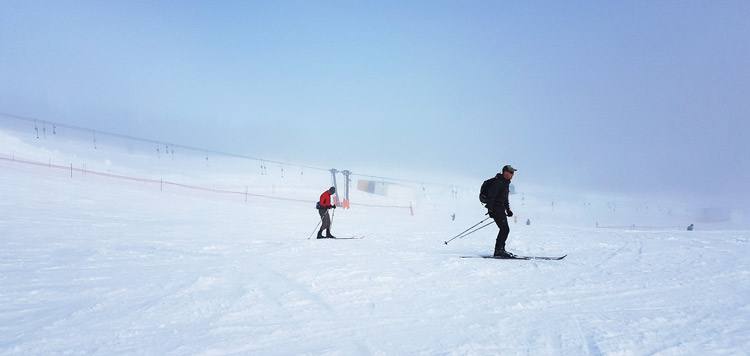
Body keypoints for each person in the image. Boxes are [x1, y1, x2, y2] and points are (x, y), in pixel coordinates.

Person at [484, 165, 518, 257]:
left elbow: (505, 199)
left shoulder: (505, 183)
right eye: (511, 172)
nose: (512, 175)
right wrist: (490, 210)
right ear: (505, 172)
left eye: (513, 173)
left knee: (504, 229)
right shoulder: (498, 183)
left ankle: (500, 249)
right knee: (504, 229)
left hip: (500, 209)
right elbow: (492, 197)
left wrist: (508, 210)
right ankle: (499, 250)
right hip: (496, 209)